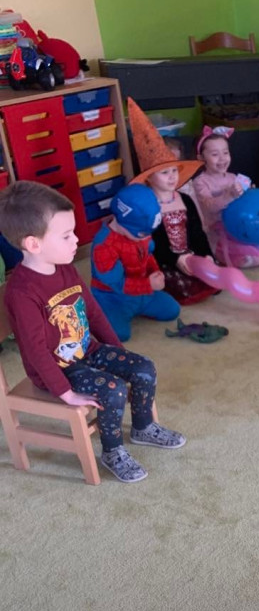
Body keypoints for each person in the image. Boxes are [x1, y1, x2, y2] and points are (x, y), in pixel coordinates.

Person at [0, 181, 185, 483]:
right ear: (33, 244)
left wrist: (117, 352)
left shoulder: (65, 267)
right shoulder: (22, 292)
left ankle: (142, 427)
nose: (77, 240)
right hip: (58, 370)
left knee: (143, 367)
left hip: (88, 351)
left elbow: (94, 313)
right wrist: (66, 393)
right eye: (66, 235)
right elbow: (34, 351)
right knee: (113, 389)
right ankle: (112, 451)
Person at [127, 98, 217, 306]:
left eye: (174, 171)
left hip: (190, 255)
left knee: (214, 276)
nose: (172, 177)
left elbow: (197, 232)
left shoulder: (185, 199)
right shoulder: (148, 206)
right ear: (149, 177)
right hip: (163, 260)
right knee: (176, 287)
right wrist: (176, 259)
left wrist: (206, 255)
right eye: (164, 172)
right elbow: (153, 244)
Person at [90, 183, 181, 342]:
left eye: (148, 234)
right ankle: (97, 312)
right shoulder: (103, 246)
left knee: (172, 310)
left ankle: (137, 306)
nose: (145, 238)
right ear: (121, 221)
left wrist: (155, 271)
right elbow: (116, 284)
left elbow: (148, 254)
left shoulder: (141, 231)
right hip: (112, 296)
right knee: (119, 335)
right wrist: (148, 285)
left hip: (141, 291)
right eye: (140, 234)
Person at [191, 126, 259, 268]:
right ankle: (226, 254)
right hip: (219, 229)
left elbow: (242, 202)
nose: (222, 158)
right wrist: (229, 195)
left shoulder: (233, 177)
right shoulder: (200, 182)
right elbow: (209, 206)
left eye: (226, 152)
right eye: (215, 154)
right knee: (254, 257)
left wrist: (249, 194)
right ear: (201, 158)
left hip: (241, 224)